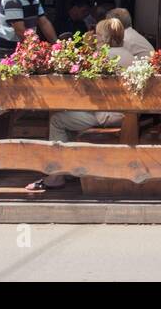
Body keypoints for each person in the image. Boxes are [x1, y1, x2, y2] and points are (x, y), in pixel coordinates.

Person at [26, 18, 128, 192]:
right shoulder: (128, 54)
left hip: (107, 115)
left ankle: (57, 175)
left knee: (58, 119)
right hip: (124, 113)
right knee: (69, 116)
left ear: (104, 37)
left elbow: (85, 88)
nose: (95, 37)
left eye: (97, 34)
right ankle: (72, 167)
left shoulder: (104, 56)